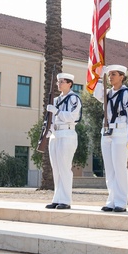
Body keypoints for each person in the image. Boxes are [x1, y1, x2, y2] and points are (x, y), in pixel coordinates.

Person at [93, 65, 128, 212]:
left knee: (120, 167)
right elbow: (96, 93)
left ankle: (121, 201)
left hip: (121, 131)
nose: (110, 77)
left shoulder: (127, 93)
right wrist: (100, 78)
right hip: (107, 131)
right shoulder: (107, 93)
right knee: (109, 169)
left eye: (113, 74)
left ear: (122, 76)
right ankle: (112, 200)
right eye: (109, 75)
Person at [45, 72, 82, 210]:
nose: (58, 84)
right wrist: (47, 131)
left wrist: (57, 112)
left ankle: (65, 200)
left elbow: (73, 116)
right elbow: (51, 119)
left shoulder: (74, 99)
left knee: (64, 168)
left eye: (62, 82)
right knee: (56, 169)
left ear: (69, 84)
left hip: (67, 133)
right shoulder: (55, 100)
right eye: (58, 82)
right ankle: (57, 198)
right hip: (56, 134)